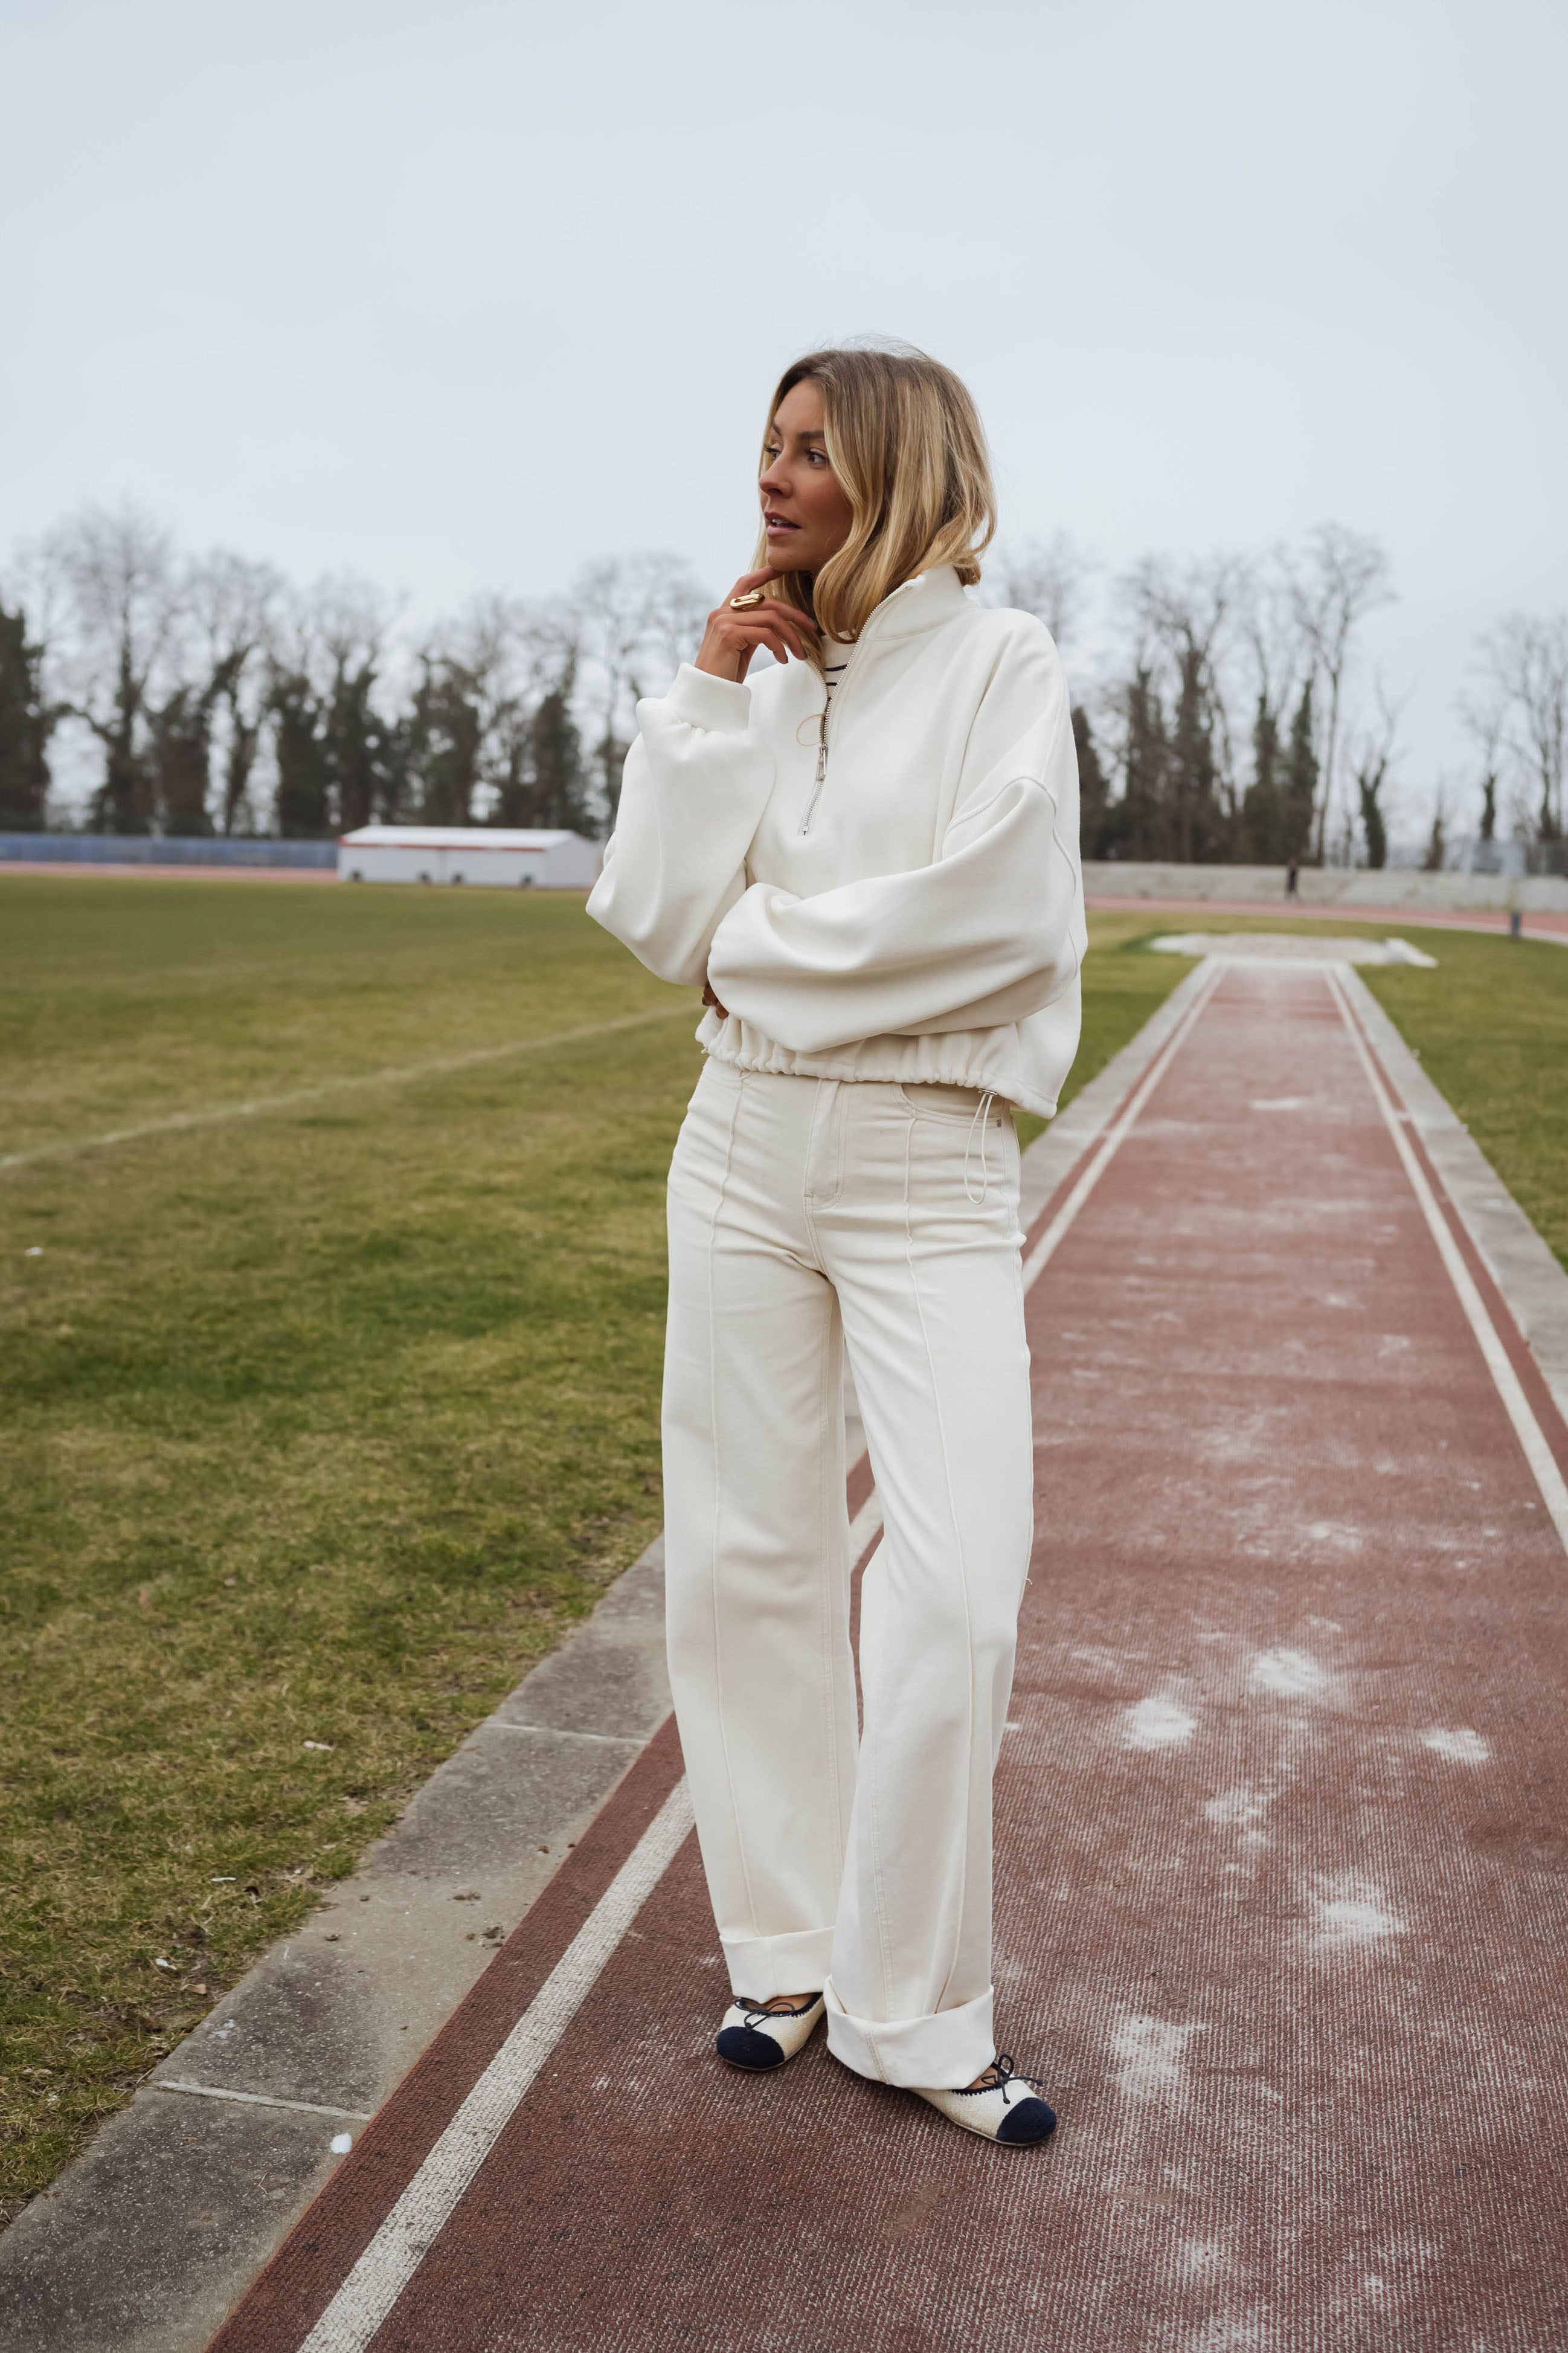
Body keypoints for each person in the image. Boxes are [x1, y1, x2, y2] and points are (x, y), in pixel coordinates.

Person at [586, 345, 1084, 2148]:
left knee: (953, 1593)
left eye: (810, 451)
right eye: (766, 446)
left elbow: (998, 918)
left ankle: (915, 2007)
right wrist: (709, 702)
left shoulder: (1002, 662)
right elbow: (655, 919)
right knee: (744, 1556)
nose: (772, 478)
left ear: (894, 466)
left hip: (923, 1155)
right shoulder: (760, 668)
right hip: (734, 1141)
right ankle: (783, 1956)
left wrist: (763, 950)